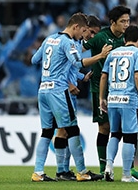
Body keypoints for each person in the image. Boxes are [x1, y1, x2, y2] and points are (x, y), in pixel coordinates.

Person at [30, 12, 108, 182]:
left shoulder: (49, 39)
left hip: (43, 90)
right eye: (84, 31)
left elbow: (34, 60)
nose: (83, 35)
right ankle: (82, 171)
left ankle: (38, 172)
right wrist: (100, 56)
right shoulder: (68, 42)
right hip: (58, 91)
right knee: (73, 130)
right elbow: (78, 62)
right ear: (76, 27)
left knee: (47, 132)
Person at [82, 5, 138, 177]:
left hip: (124, 91)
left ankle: (130, 168)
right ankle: (104, 168)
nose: (126, 25)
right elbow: (78, 51)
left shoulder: (127, 39)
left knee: (128, 130)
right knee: (105, 128)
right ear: (112, 22)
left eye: (128, 21)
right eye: (123, 21)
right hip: (100, 89)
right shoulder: (100, 37)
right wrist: (79, 74)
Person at [100, 25, 138, 183]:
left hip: (113, 98)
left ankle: (109, 167)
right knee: (130, 136)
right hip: (128, 98)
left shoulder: (113, 53)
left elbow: (104, 76)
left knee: (114, 134)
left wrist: (101, 98)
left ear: (125, 39)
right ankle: (126, 175)